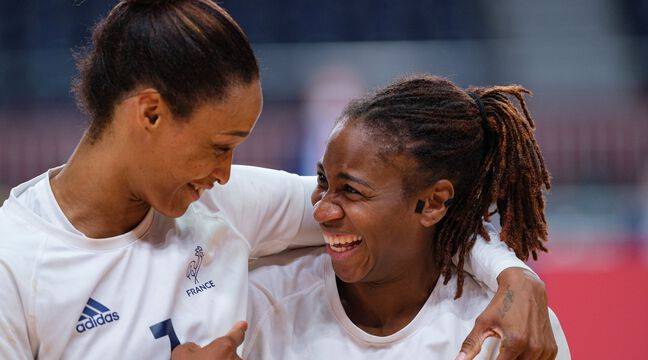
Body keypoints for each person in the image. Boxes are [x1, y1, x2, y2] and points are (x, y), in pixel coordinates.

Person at [0, 1, 554, 359]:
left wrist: (514, 276)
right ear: (150, 114)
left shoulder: (222, 203)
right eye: (219, 147)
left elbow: (399, 216)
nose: (224, 173)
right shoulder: (14, 262)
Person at [244, 75, 569, 359]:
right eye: (323, 182)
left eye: (352, 191)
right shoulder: (261, 301)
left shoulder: (509, 330)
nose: (321, 210)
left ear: (432, 203)